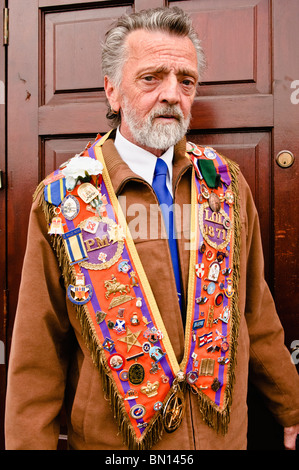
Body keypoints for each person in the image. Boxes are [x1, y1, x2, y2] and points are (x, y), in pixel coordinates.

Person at [5, 7, 299, 451]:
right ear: (112, 91)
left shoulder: (226, 184)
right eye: (151, 78)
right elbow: (37, 352)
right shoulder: (63, 200)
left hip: (224, 439)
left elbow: (256, 313)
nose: (171, 94)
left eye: (186, 81)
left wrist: (293, 409)